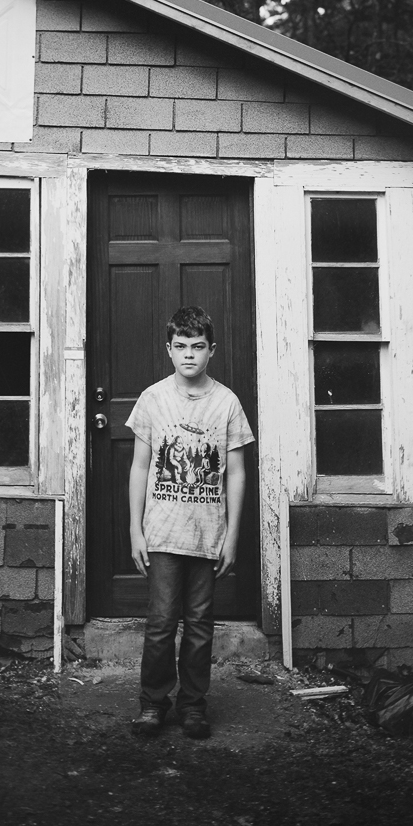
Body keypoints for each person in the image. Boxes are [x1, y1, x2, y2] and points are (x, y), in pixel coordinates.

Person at [126, 306, 254, 739]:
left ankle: (193, 705)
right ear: (168, 349)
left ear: (211, 350)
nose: (188, 356)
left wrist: (232, 536)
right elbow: (141, 467)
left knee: (199, 624)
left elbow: (236, 472)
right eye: (180, 347)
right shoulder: (154, 399)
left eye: (197, 347)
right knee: (161, 622)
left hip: (207, 535)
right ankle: (152, 703)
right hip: (162, 532)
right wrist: (134, 528)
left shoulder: (227, 403)